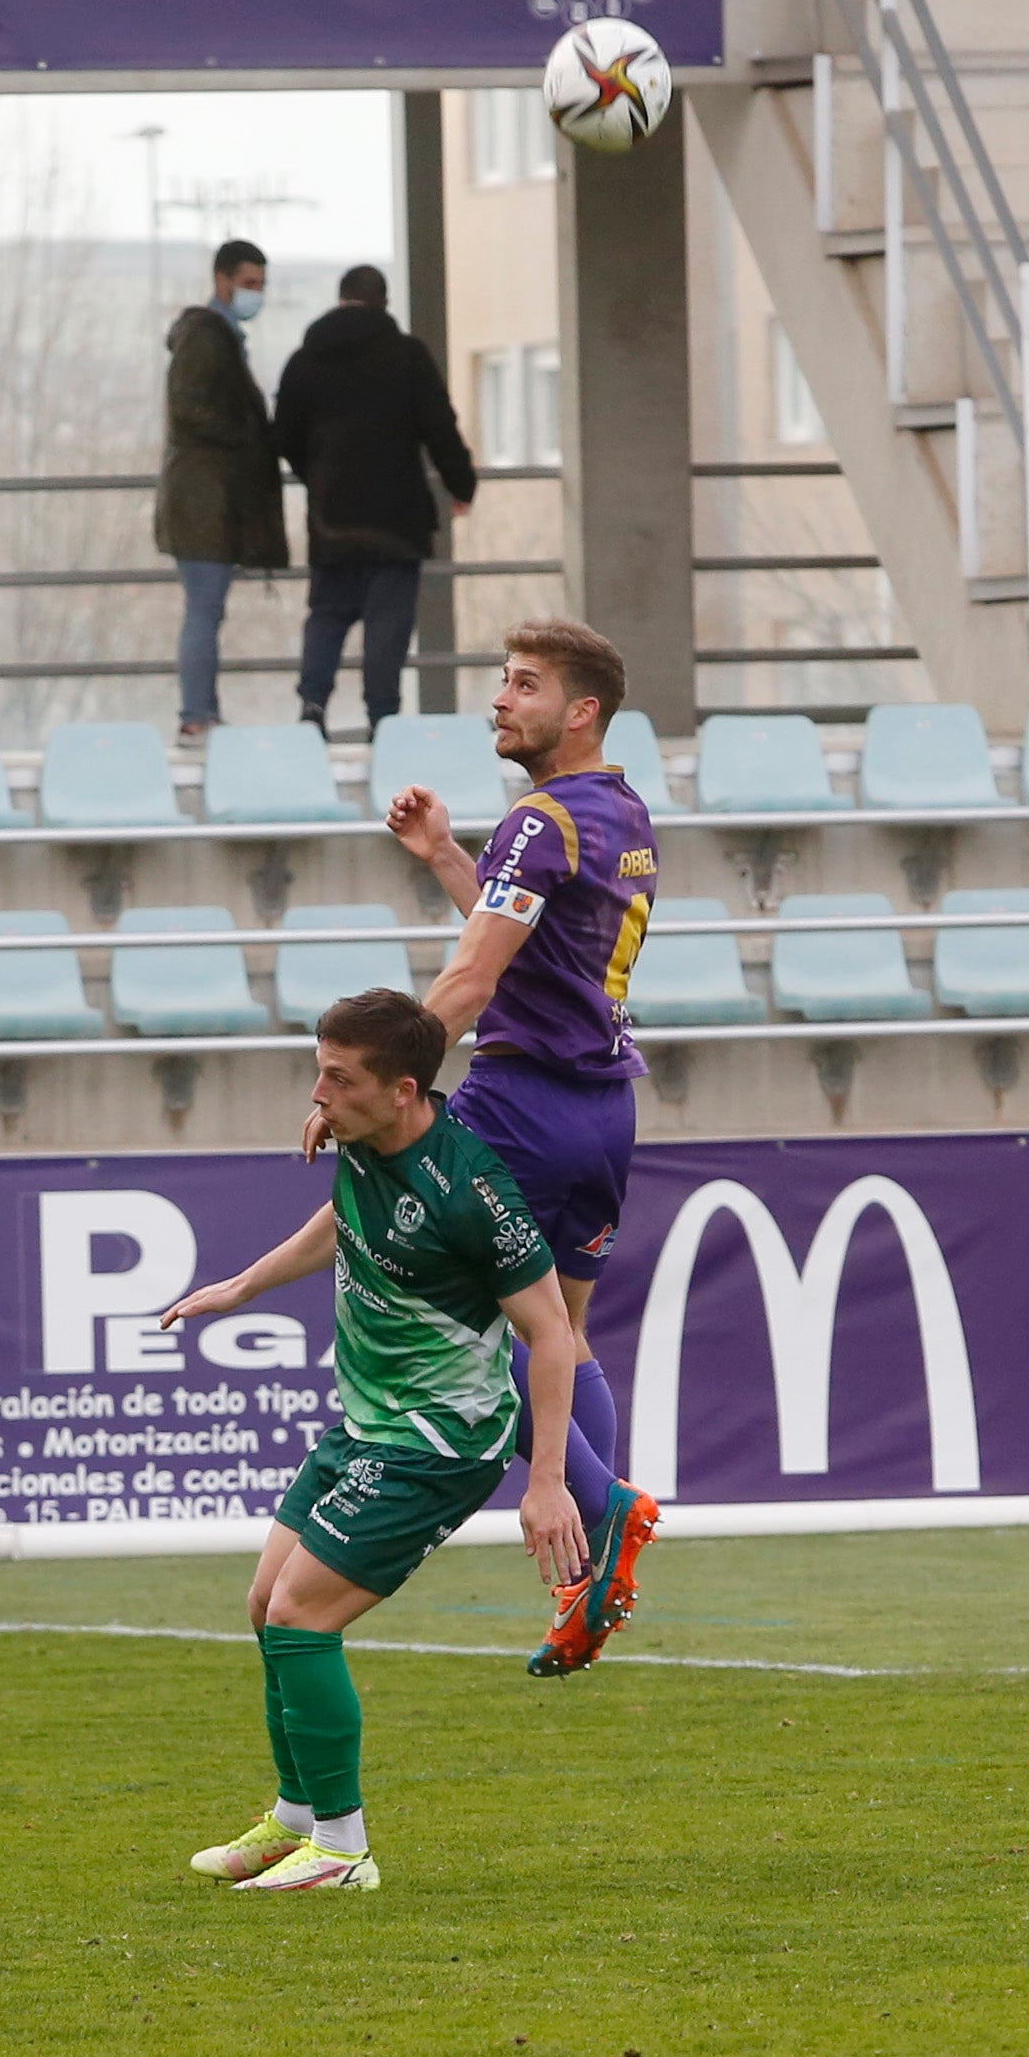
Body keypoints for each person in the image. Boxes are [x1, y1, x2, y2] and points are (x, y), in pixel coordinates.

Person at [163, 987, 582, 1893]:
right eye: (318, 1070)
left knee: (301, 1614)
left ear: (403, 1091)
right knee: (265, 1601)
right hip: (369, 1422)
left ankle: (345, 1852)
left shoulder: (474, 1190)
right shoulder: (360, 1138)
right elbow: (343, 1221)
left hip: (438, 1441)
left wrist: (545, 1481)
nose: (318, 1094)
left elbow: (553, 1332)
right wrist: (240, 1285)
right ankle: (296, 1820)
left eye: (337, 1078)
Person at [306, 620, 660, 1680]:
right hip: (601, 1107)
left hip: (516, 1101)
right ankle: (596, 1544)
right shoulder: (620, 811)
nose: (500, 702)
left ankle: (601, 1512)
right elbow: (534, 948)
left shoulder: (539, 819)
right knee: (561, 1331)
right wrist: (451, 860)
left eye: (523, 685)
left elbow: (468, 984)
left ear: (580, 709)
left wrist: (378, 1085)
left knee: (460, 1330)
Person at [273, 263, 476, 738]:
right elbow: (439, 427)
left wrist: (317, 477)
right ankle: (382, 718)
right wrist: (460, 486)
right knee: (388, 622)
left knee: (327, 613)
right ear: (384, 303)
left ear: (340, 299)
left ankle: (313, 706)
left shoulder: (305, 360)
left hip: (332, 516)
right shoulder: (407, 356)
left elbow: (282, 435)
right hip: (397, 516)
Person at [155, 238, 288, 748]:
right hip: (203, 505)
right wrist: (248, 433)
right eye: (250, 284)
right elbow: (190, 409)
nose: (256, 294)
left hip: (206, 503)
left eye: (261, 286)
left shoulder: (217, 336)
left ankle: (201, 713)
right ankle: (197, 716)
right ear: (223, 280)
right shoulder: (207, 338)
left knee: (206, 610)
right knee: (204, 611)